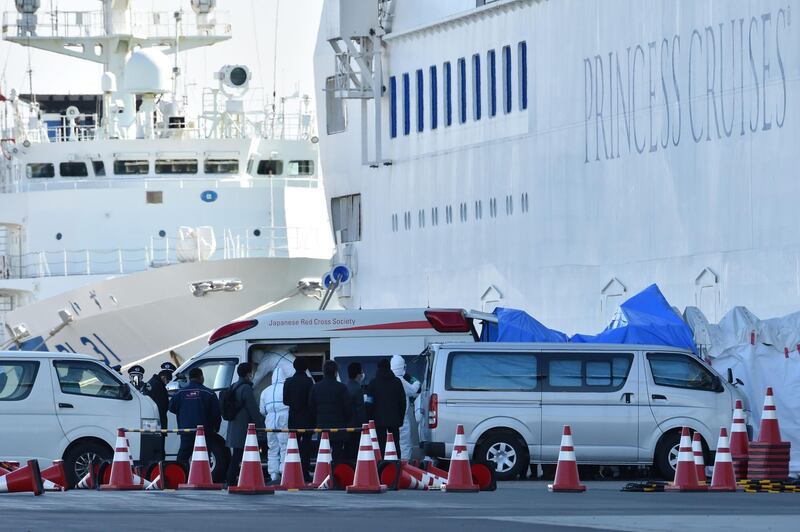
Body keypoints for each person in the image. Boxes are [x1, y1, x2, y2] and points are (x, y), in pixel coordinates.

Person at [168, 367, 227, 481]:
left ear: (189, 378)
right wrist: (216, 428)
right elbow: (216, 413)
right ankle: (203, 479)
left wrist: (184, 412)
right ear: (201, 377)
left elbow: (171, 408)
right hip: (205, 432)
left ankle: (181, 478)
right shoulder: (209, 393)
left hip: (186, 431)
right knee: (204, 456)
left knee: (183, 456)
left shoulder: (180, 393)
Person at [225, 362, 266, 486]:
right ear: (249, 374)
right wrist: (261, 427)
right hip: (244, 428)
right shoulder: (246, 388)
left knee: (237, 456)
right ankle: (234, 480)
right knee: (244, 456)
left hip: (234, 426)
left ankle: (232, 480)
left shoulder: (233, 386)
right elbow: (253, 409)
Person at [309, 360, 352, 461]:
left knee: (323, 456)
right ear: (336, 372)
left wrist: (317, 421)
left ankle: (324, 475)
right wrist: (345, 422)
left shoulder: (315, 388)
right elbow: (348, 409)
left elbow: (311, 408)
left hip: (322, 428)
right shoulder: (342, 388)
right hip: (339, 428)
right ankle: (338, 475)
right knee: (338, 455)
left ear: (324, 372)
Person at [366, 358, 406, 459]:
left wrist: (369, 419)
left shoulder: (373, 383)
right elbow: (402, 402)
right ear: (389, 367)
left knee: (381, 445)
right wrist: (400, 419)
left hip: (378, 421)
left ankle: (382, 467)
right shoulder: (397, 382)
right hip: (394, 420)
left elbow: (369, 403)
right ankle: (396, 466)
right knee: (395, 444)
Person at [283, 357, 315, 481]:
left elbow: (285, 401)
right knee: (306, 447)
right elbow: (311, 401)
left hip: (293, 418)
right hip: (307, 418)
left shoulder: (288, 381)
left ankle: (291, 473)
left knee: (292, 447)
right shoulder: (309, 382)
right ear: (306, 368)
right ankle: (305, 473)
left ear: (294, 367)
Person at [259, 366, 289, 484]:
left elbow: (262, 410)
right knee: (284, 446)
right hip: (284, 417)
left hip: (270, 419)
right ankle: (284, 472)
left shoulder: (265, 391)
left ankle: (273, 474)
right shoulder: (286, 387)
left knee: (272, 447)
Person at [390, 355, 421, 460]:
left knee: (392, 445)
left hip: (391, 420)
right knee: (404, 445)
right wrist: (416, 382)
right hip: (402, 420)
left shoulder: (388, 380)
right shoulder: (401, 381)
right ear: (403, 367)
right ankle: (403, 468)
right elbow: (413, 390)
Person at [142, 368, 172, 459]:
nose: (167, 383)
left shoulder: (153, 383)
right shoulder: (158, 385)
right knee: (158, 449)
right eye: (167, 380)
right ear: (163, 377)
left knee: (152, 447)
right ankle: (158, 466)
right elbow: (161, 405)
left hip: (151, 421)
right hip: (156, 421)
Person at [345, 362, 367, 459]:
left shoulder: (345, 387)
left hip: (346, 425)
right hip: (356, 426)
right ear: (358, 374)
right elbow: (360, 409)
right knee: (355, 452)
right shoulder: (358, 389)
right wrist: (365, 425)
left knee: (348, 450)